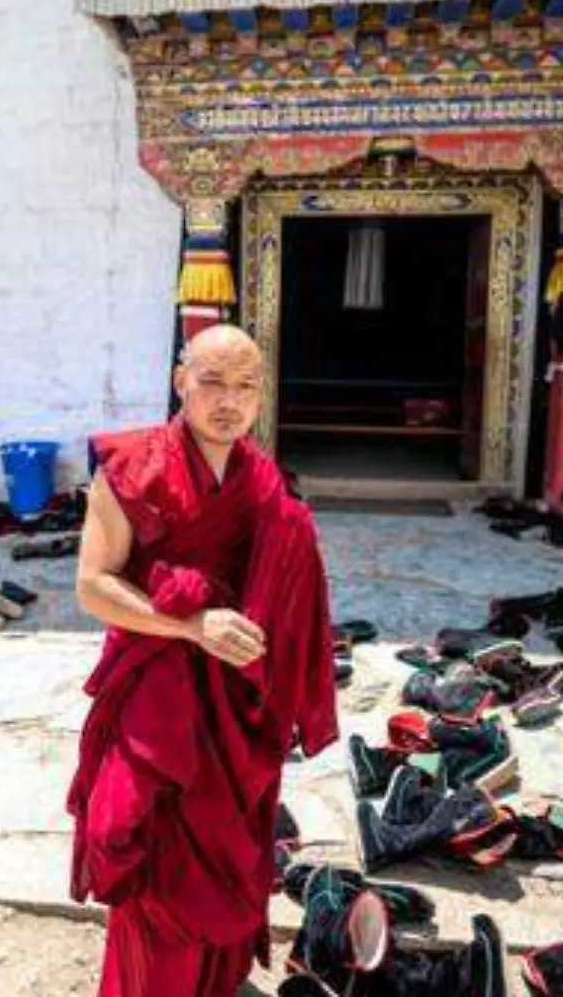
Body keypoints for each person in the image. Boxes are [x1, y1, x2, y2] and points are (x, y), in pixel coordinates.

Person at [68, 325, 340, 997]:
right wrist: (190, 626)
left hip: (234, 703)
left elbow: (283, 577)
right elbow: (93, 585)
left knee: (227, 846)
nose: (229, 400)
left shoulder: (261, 477)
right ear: (180, 381)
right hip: (158, 699)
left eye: (246, 385)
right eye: (212, 381)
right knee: (155, 852)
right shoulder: (133, 469)